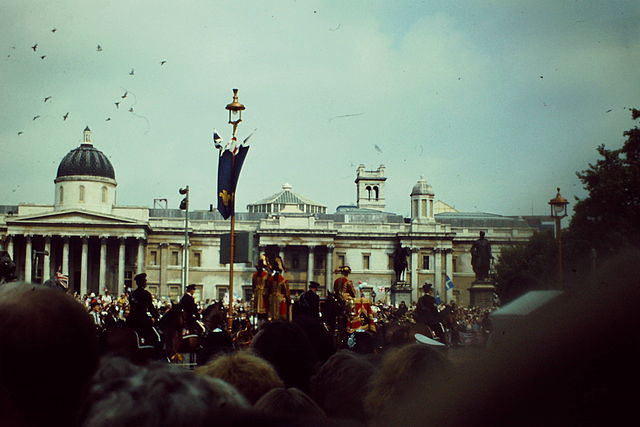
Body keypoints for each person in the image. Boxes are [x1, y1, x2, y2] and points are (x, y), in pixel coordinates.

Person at [126, 273, 160, 348]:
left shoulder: (132, 294)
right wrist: (156, 316)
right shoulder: (146, 294)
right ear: (143, 283)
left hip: (131, 319)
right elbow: (150, 307)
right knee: (156, 337)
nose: (146, 283)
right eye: (145, 282)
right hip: (142, 319)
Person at [267, 256, 290, 321]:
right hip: (280, 300)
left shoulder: (270, 279)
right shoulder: (283, 280)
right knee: (281, 318)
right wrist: (288, 301)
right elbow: (286, 292)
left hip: (271, 299)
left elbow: (268, 290)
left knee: (272, 318)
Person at [252, 254, 271, 323]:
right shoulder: (266, 274)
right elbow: (268, 285)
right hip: (263, 294)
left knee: (258, 312)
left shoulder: (254, 275)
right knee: (264, 312)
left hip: (257, 294)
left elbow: (253, 287)